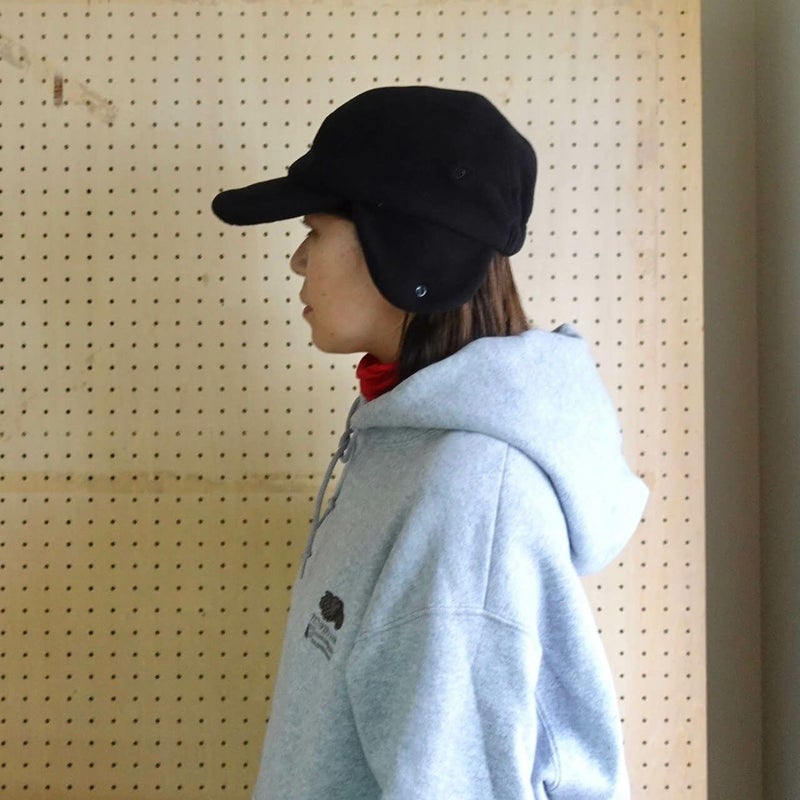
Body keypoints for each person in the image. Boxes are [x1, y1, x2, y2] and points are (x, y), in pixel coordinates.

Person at [212, 85, 648, 800]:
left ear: (402, 244)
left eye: (315, 231)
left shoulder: (468, 496)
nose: (296, 260)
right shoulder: (404, 450)